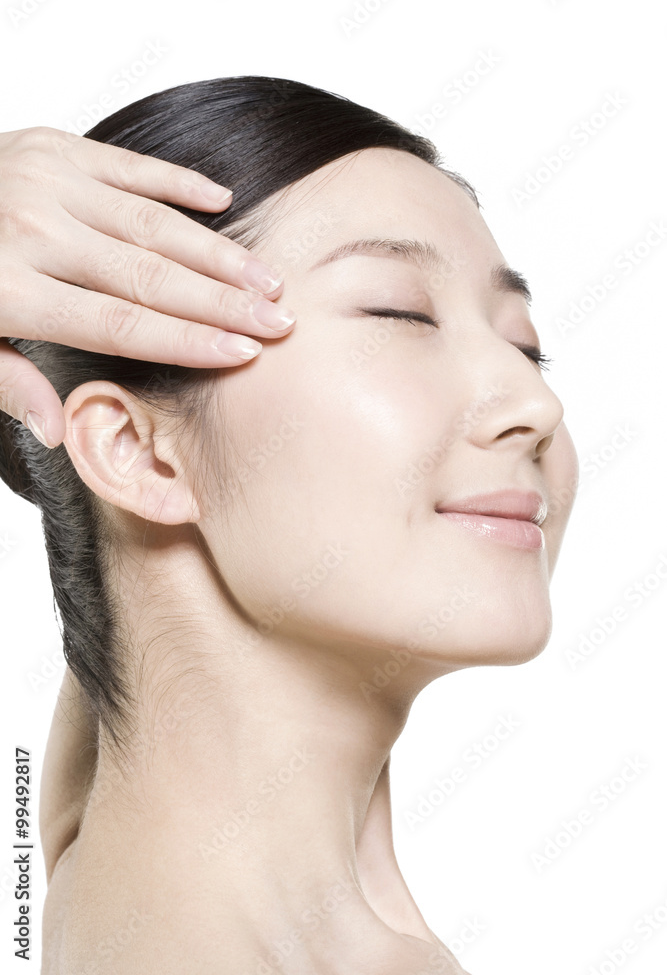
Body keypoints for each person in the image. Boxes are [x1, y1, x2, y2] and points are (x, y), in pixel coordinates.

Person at [0, 75, 578, 975]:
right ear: (140, 456)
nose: (535, 403)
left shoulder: (98, 837)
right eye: (399, 312)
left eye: (524, 343)